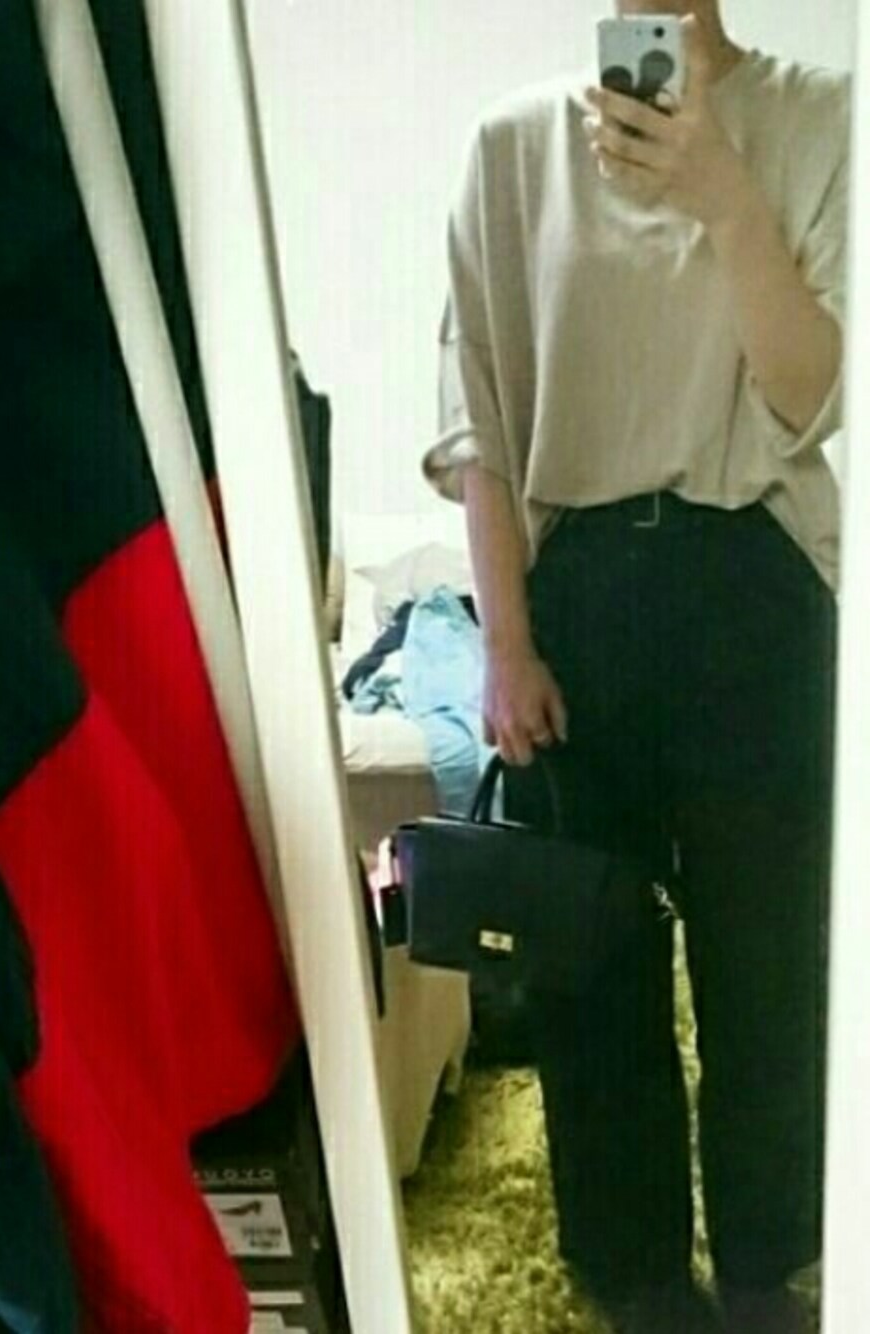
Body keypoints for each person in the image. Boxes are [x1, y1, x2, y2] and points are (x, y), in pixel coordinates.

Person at [423, 3, 849, 1331]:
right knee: (587, 964)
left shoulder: (821, 117)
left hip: (757, 582)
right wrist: (504, 644)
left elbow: (812, 395)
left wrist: (724, 192)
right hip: (580, 597)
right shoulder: (509, 149)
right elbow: (479, 422)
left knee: (771, 963)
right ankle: (639, 1278)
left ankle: (775, 1266)